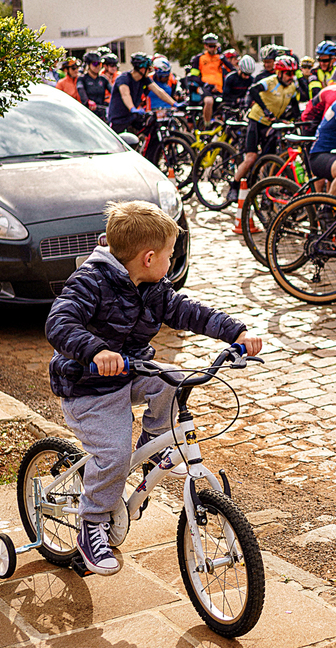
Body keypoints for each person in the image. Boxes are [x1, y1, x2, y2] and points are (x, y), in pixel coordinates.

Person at [46, 200, 262, 575]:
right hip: (88, 388)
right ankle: (92, 525)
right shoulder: (91, 281)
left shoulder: (153, 288)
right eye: (169, 254)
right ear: (148, 258)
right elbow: (59, 322)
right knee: (114, 455)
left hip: (130, 373)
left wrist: (236, 332)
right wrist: (96, 351)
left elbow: (190, 311)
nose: (171, 260)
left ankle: (153, 442)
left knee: (173, 379)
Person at [230, 55, 301, 202]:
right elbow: (253, 90)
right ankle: (234, 186)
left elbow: (294, 106)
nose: (291, 77)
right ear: (279, 73)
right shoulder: (270, 82)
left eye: (293, 73)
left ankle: (262, 190)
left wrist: (298, 121)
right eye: (288, 73)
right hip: (257, 121)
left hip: (271, 124)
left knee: (267, 160)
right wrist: (266, 110)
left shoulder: (292, 87)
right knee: (251, 158)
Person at [106, 53, 175, 134]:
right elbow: (125, 95)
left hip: (132, 116)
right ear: (142, 69)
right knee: (121, 139)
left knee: (149, 130)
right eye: (149, 68)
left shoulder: (144, 79)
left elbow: (159, 91)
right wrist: (132, 108)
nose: (150, 71)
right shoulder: (123, 78)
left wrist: (174, 103)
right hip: (119, 118)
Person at [196, 34, 226, 125]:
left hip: (219, 88)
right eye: (210, 46)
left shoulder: (220, 58)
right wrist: (206, 84)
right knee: (209, 101)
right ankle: (207, 124)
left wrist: (222, 56)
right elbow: (193, 76)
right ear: (205, 46)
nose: (212, 48)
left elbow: (231, 69)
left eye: (214, 46)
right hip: (206, 88)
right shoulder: (200, 58)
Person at [76, 51, 111, 119]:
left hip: (101, 112)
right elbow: (81, 90)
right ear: (88, 65)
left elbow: (113, 91)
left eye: (99, 64)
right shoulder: (82, 79)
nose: (98, 66)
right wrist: (88, 101)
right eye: (95, 64)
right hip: (88, 112)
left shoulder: (103, 79)